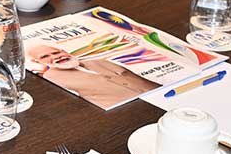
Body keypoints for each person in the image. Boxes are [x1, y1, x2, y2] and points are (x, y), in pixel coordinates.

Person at [28, 45, 160, 110]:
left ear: (64, 51)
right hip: (126, 112)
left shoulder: (99, 61)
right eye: (45, 57)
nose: (56, 57)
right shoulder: (50, 80)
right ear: (38, 62)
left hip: (161, 99)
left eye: (56, 52)